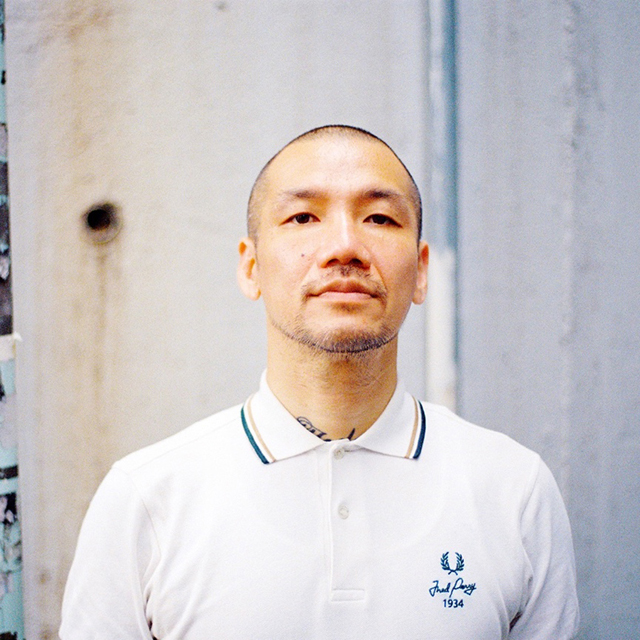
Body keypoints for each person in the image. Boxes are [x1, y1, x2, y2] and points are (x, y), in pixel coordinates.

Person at [59, 125, 579, 639]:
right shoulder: (146, 501)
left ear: (421, 271)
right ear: (251, 267)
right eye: (303, 217)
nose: (345, 246)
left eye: (379, 217)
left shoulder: (515, 491)